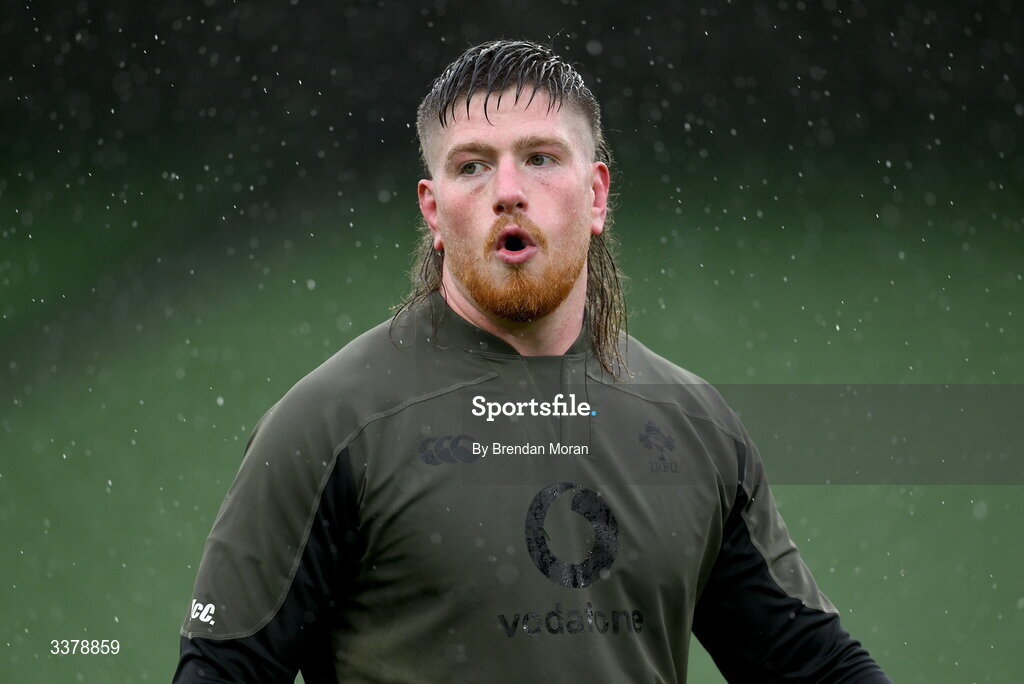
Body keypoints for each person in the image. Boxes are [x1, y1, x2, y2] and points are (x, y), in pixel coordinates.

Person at [175, 40, 892, 683]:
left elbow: (809, 664)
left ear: (597, 194)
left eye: (541, 158)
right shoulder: (328, 426)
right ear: (434, 211)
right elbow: (223, 671)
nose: (508, 192)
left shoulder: (694, 427)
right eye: (472, 166)